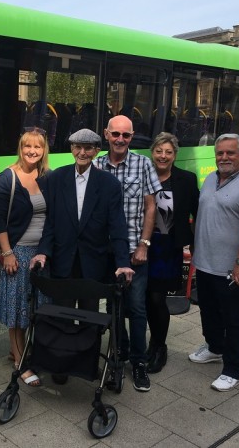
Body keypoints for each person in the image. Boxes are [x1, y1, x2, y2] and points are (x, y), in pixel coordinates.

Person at [31, 128, 135, 382]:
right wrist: (43, 252)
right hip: (63, 260)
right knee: (61, 315)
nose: (82, 152)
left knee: (91, 319)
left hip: (94, 262)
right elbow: (51, 223)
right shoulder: (57, 179)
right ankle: (61, 363)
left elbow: (117, 226)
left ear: (97, 150)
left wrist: (123, 263)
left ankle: (87, 364)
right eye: (77, 146)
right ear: (71, 149)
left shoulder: (109, 184)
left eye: (88, 148)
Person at [189, 133, 239, 391]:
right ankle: (214, 348)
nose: (224, 157)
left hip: (232, 269)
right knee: (208, 310)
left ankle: (233, 369)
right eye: (220, 153)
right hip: (205, 263)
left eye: (230, 153)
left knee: (234, 318)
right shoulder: (212, 178)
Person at [94, 115, 162, 392]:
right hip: (104, 251)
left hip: (134, 251)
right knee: (112, 308)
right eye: (116, 134)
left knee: (136, 308)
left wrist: (144, 245)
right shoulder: (96, 164)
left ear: (132, 137)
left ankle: (138, 363)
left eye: (126, 135)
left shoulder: (143, 164)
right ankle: (117, 356)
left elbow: (151, 207)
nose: (120, 139)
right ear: (106, 134)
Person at [0, 127, 50, 387]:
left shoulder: (47, 176)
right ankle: (19, 361)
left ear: (43, 150)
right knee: (17, 311)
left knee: (31, 309)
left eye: (37, 147)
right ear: (21, 147)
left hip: (39, 254)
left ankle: (17, 351)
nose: (32, 151)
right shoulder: (9, 177)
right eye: (28, 146)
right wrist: (7, 253)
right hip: (17, 252)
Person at [146, 132, 199, 373]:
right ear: (152, 153)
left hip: (167, 248)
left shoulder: (186, 180)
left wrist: (196, 245)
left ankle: (159, 346)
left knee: (157, 299)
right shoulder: (143, 176)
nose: (163, 156)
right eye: (159, 151)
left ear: (175, 155)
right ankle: (145, 344)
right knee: (142, 298)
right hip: (142, 245)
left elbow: (197, 212)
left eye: (168, 152)